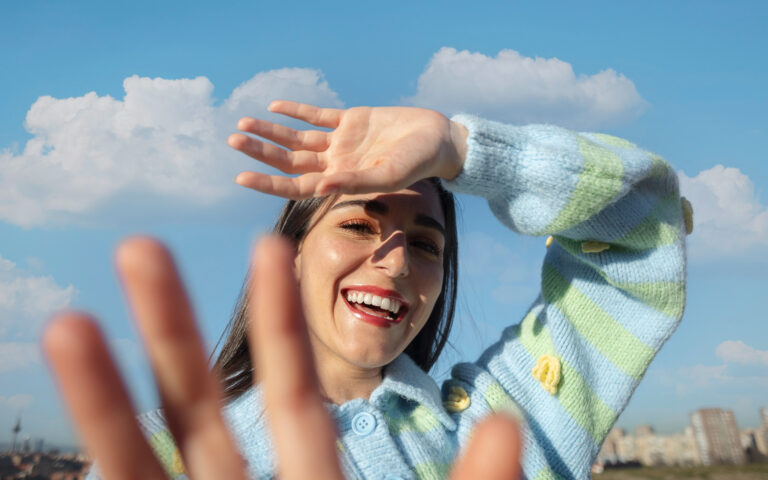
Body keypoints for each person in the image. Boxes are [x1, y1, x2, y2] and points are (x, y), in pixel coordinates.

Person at [44, 101, 689, 479]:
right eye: (359, 224)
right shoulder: (169, 455)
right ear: (292, 256)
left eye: (428, 244)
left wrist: (464, 150)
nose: (396, 259)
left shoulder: (509, 421)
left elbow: (647, 231)